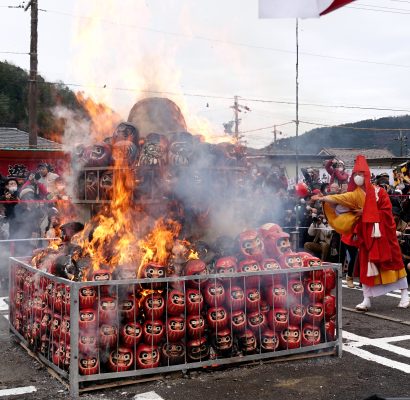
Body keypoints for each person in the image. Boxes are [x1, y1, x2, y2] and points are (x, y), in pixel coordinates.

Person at [312, 155, 409, 310]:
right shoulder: (356, 194)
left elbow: (387, 212)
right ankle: (367, 299)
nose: (358, 177)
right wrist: (324, 198)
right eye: (355, 174)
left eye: (361, 174)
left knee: (394, 262)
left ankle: (405, 295)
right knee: (366, 266)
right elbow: (341, 198)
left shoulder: (379, 192)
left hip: (382, 235)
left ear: (367, 175)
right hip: (366, 238)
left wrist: (366, 212)